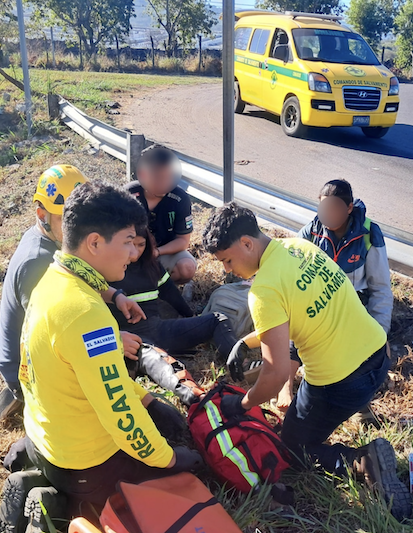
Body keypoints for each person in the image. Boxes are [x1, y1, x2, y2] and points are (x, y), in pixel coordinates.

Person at [202, 203, 412, 521]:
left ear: (246, 243)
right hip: (379, 358)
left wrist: (243, 405)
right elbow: (299, 311)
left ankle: (364, 462)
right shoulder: (299, 247)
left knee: (293, 449)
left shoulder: (262, 292)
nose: (229, 270)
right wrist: (247, 341)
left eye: (228, 260)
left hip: (342, 383)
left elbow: (274, 375)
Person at [13, 181, 203, 515]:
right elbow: (120, 414)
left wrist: (148, 400)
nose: (135, 253)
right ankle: (57, 504)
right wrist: (169, 458)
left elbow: (93, 376)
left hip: (44, 436)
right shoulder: (87, 313)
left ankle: (40, 476)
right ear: (95, 242)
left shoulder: (52, 279)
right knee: (189, 472)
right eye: (129, 242)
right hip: (84, 464)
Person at [0, 165, 146, 420]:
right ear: (41, 214)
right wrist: (114, 340)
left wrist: (115, 296)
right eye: (62, 217)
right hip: (25, 368)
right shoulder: (38, 261)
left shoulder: (50, 240)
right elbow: (53, 327)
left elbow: (80, 271)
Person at [279, 179, 394, 410]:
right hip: (318, 300)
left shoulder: (368, 234)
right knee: (296, 329)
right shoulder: (310, 232)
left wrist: (379, 333)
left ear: (349, 208)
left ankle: (359, 399)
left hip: (354, 303)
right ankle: (285, 387)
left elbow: (380, 289)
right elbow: (289, 273)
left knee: (352, 347)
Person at [107, 225, 246, 377]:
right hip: (131, 338)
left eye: (141, 245)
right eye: (131, 244)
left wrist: (190, 316)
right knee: (152, 364)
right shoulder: (108, 269)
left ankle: (240, 363)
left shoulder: (151, 266)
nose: (135, 252)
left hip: (159, 329)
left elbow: (170, 293)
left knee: (217, 319)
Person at [126, 145, 197, 284]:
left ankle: (166, 289)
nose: (164, 183)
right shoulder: (128, 194)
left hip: (163, 253)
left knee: (186, 267)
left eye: (168, 177)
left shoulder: (180, 199)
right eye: (158, 177)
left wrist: (156, 252)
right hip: (130, 252)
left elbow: (183, 241)